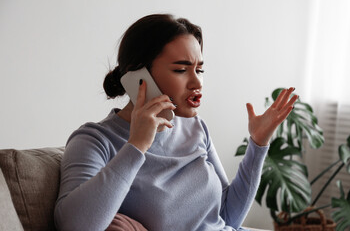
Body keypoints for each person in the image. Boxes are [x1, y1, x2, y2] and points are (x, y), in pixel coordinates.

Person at [54, 14, 298, 231]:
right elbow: (76, 225)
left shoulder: (196, 128)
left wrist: (258, 144)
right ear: (139, 77)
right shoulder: (95, 141)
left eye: (199, 70)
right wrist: (137, 145)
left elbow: (227, 217)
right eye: (181, 70)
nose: (197, 83)